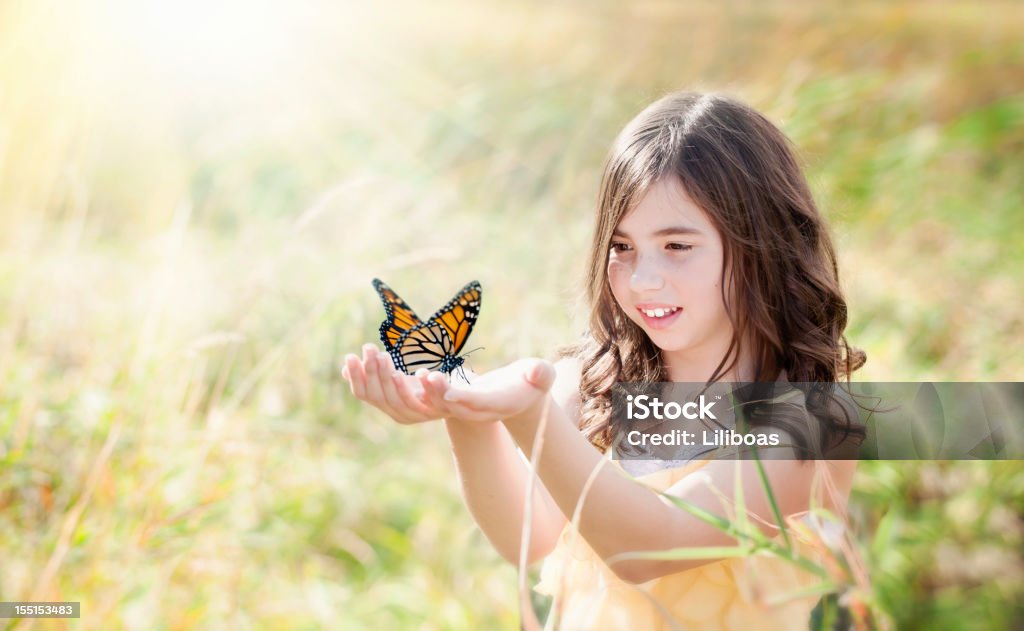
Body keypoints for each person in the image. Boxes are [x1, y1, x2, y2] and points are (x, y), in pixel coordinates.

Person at [341, 91, 866, 630]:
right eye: (622, 247)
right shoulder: (591, 384)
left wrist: (530, 416)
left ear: (763, 243)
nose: (642, 280)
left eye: (677, 246)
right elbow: (529, 536)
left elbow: (650, 547)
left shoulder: (813, 421)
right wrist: (465, 412)